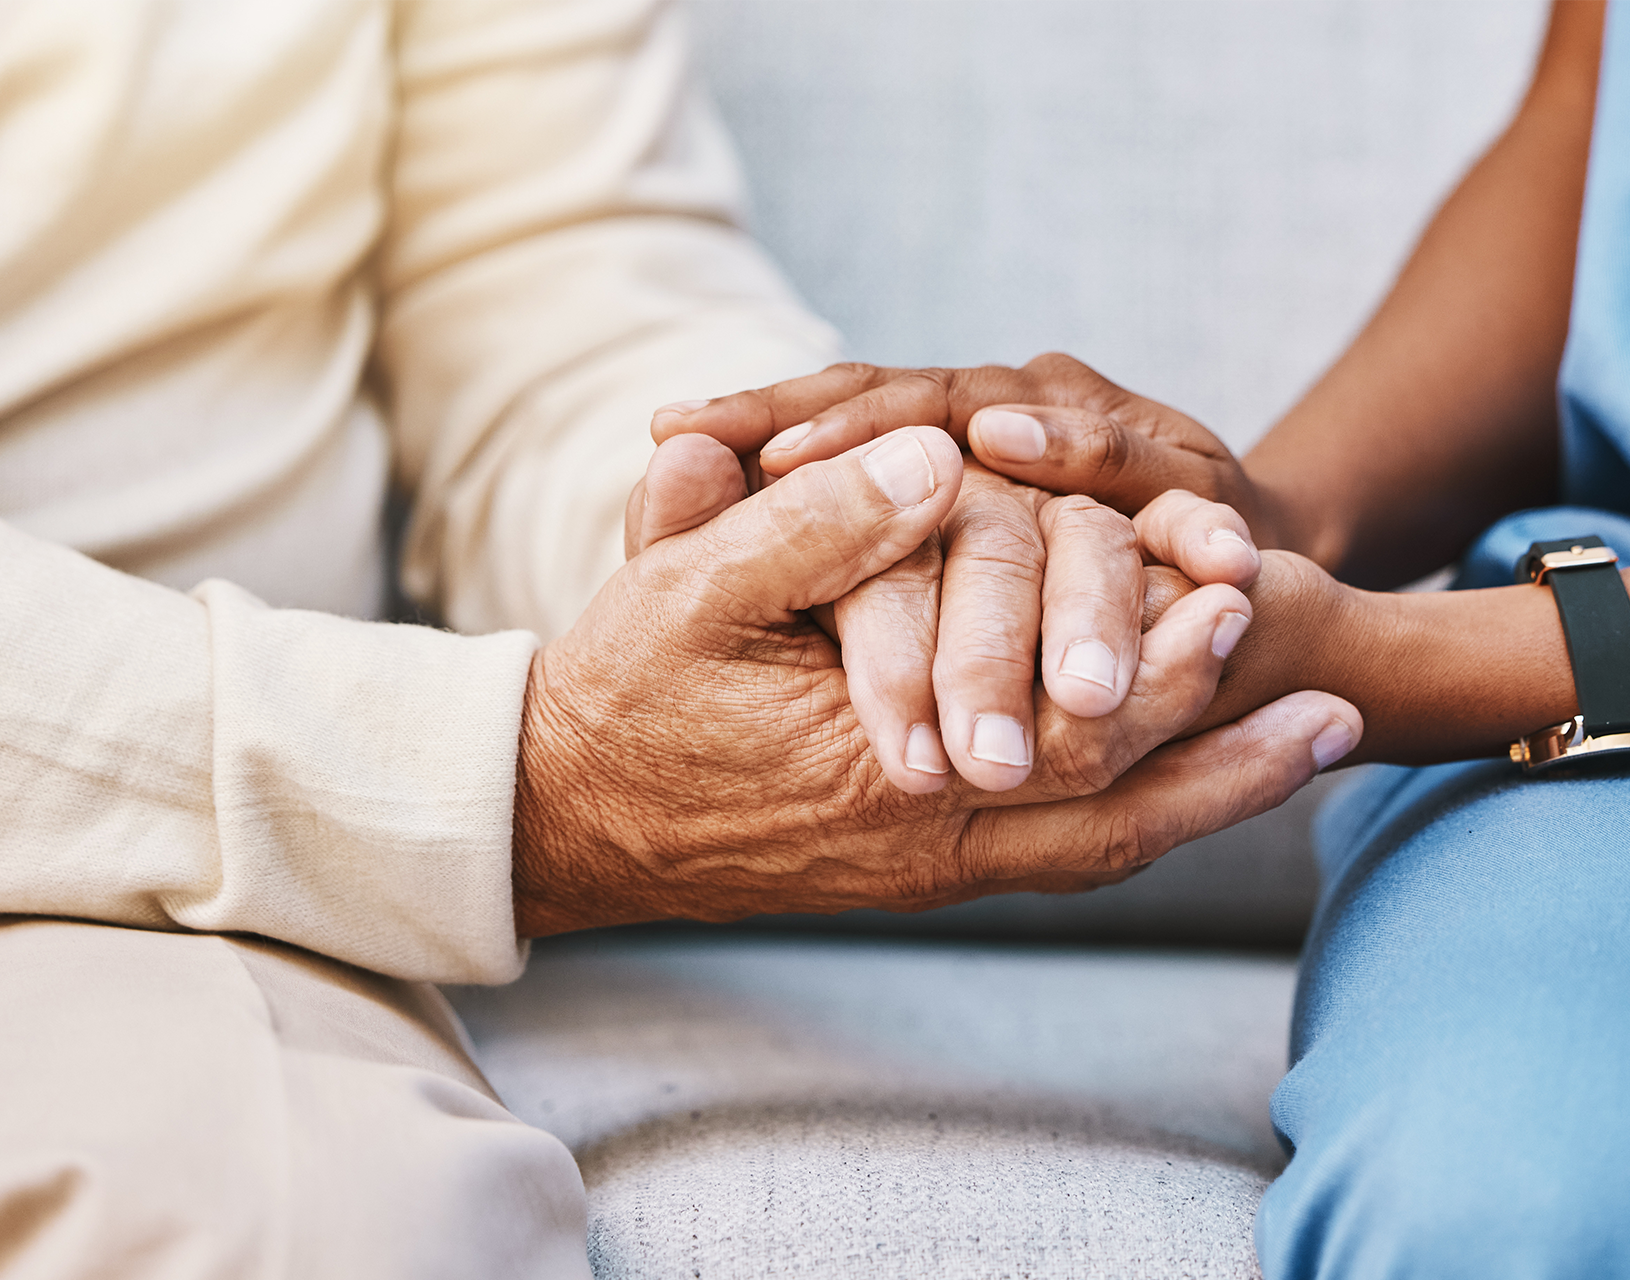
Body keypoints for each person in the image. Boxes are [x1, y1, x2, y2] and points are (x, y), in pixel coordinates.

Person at [0, 0, 1359, 1273]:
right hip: (225, 795)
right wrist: (500, 780)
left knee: (314, 1220)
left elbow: (547, 288)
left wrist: (805, 540)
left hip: (165, 906)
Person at [657, 0, 1630, 1273]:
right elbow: (1616, 121)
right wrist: (1271, 518)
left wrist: (1455, 660)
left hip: (1616, 668)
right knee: (1514, 1210)